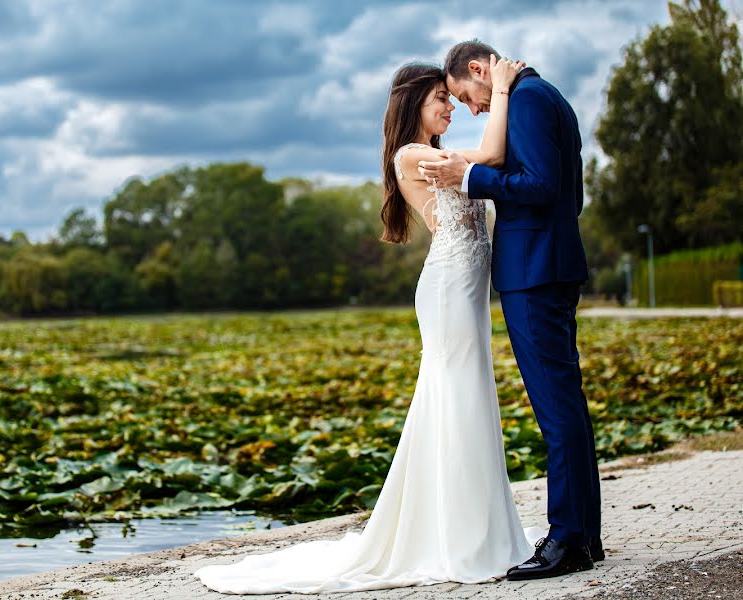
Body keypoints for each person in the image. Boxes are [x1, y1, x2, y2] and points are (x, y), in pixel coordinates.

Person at [193, 56, 547, 595]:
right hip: (449, 290)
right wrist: (499, 90)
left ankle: (473, 526)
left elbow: (490, 169)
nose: (450, 106)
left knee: (468, 396)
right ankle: (459, 535)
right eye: (440, 100)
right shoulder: (414, 155)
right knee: (456, 396)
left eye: (450, 99)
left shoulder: (436, 153)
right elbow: (494, 156)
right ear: (414, 106)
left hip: (468, 291)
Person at [419, 39, 602, 580]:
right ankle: (585, 536)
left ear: (478, 70)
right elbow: (573, 194)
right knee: (566, 404)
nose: (475, 110)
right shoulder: (546, 97)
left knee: (556, 409)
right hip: (551, 264)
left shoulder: (524, 101)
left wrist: (469, 178)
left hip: (535, 272)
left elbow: (542, 187)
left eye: (465, 96)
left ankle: (568, 541)